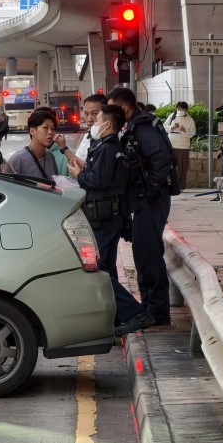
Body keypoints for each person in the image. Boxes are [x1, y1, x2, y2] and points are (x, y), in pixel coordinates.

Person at [68, 105, 144, 333]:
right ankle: (117, 315)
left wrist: (78, 175)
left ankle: (132, 311)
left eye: (97, 117)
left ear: (107, 124)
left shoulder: (107, 149)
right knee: (106, 270)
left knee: (97, 270)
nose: (93, 122)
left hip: (104, 218)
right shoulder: (110, 147)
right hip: (110, 216)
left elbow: (98, 181)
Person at [108, 87, 174, 329]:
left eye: (113, 109)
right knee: (142, 254)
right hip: (146, 199)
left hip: (151, 199)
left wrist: (151, 187)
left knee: (148, 255)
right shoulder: (136, 125)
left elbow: (161, 158)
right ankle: (149, 308)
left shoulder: (142, 125)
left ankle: (157, 311)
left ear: (124, 108)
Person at [9, 108, 59, 179]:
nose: (50, 132)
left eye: (53, 128)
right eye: (45, 127)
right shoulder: (17, 160)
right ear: (32, 131)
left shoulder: (50, 156)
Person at [164, 101, 195, 192]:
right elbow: (164, 126)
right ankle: (171, 184)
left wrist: (184, 130)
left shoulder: (190, 119)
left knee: (182, 167)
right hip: (172, 145)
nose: (180, 110)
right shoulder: (172, 116)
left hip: (184, 146)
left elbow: (192, 133)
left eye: (182, 109)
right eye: (178, 109)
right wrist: (171, 128)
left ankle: (181, 186)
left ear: (186, 109)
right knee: (172, 166)